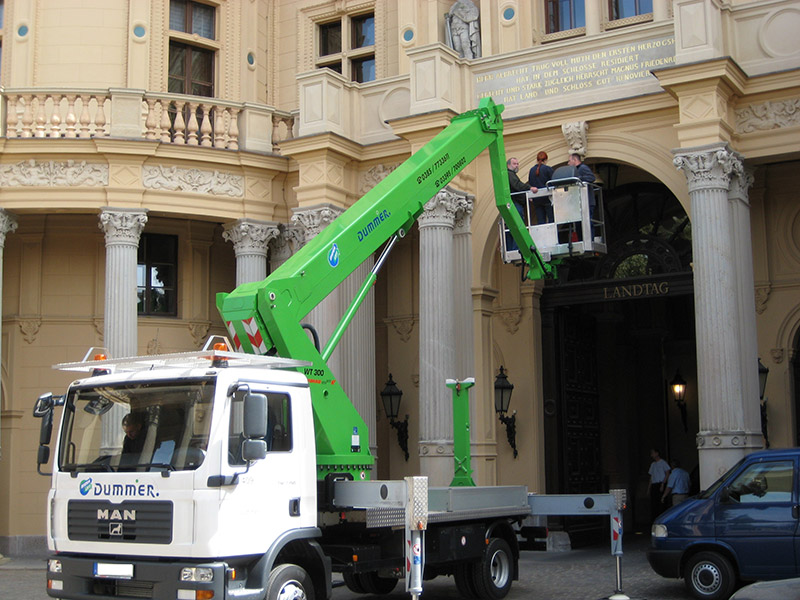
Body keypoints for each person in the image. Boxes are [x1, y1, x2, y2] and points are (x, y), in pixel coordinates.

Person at [528, 151, 554, 223]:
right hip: (548, 198)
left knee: (540, 221)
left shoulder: (531, 170)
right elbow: (553, 182)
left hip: (537, 199)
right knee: (551, 219)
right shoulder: (548, 169)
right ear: (546, 160)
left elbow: (530, 183)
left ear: (536, 160)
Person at [648, 448, 670, 521]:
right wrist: (649, 488)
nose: (652, 455)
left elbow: (667, 473)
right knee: (654, 504)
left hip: (660, 483)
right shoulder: (653, 464)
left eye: (653, 453)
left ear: (657, 453)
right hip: (654, 484)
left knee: (661, 503)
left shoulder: (663, 463)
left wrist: (663, 483)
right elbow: (651, 477)